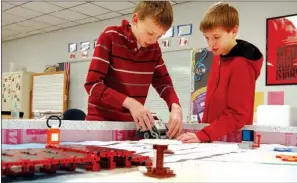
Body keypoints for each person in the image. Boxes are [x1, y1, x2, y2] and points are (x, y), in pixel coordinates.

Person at [84, 1, 183, 139]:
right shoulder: (110, 36)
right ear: (135, 19)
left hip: (130, 128)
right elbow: (93, 85)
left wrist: (175, 107)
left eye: (159, 36)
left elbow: (164, 84)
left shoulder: (153, 49)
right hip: (101, 126)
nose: (154, 41)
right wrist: (131, 103)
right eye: (150, 33)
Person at [177, 2, 263, 143]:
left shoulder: (242, 64)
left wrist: (204, 134)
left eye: (216, 37)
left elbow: (237, 115)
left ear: (233, 31)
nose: (211, 44)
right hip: (212, 138)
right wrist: (203, 133)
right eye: (207, 38)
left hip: (229, 142)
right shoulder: (219, 56)